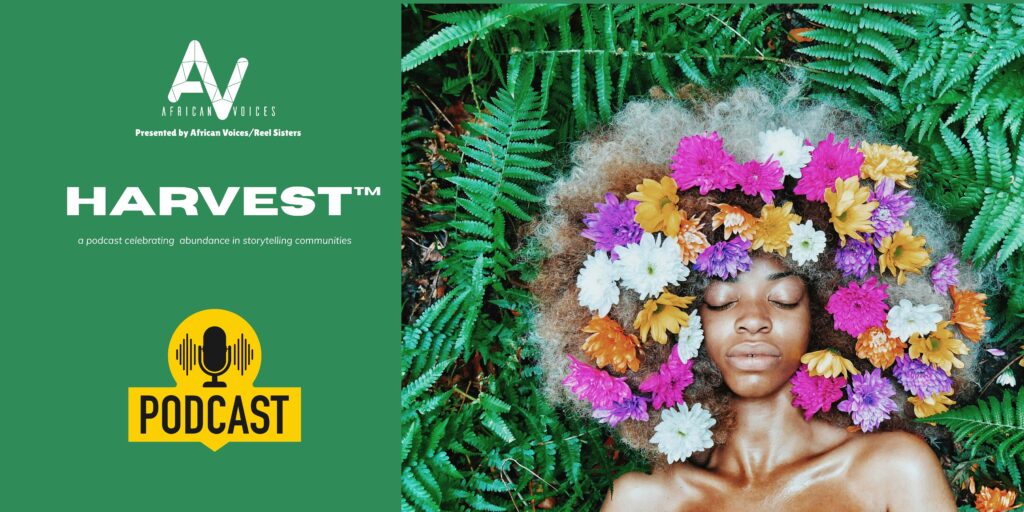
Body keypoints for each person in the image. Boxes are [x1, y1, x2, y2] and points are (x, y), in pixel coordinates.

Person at [530, 82, 987, 511]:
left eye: (784, 297)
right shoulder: (646, 501)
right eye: (724, 301)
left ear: (826, 314)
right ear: (681, 323)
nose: (753, 320)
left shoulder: (893, 471)